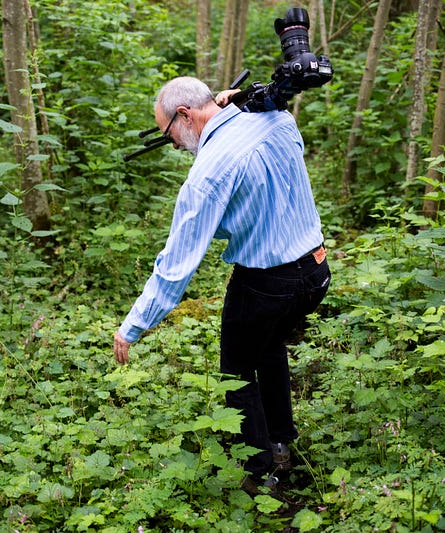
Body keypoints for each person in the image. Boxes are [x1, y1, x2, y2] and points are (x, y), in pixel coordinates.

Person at [113, 76, 330, 491]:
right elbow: (270, 110)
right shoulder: (277, 119)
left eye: (169, 135)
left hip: (267, 284)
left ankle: (259, 473)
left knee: (236, 370)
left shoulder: (208, 173)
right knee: (268, 349)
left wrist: (134, 325)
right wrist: (247, 101)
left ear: (185, 115)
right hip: (316, 272)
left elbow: (177, 266)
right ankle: (281, 445)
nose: (174, 145)